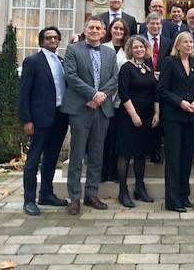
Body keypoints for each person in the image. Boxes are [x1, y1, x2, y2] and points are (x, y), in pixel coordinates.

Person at [62, 16, 119, 215]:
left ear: (104, 32)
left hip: (102, 109)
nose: (94, 30)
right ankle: (74, 197)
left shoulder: (109, 53)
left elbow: (114, 78)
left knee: (97, 155)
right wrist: (92, 94)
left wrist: (100, 96)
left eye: (98, 28)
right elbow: (71, 76)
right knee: (77, 155)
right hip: (81, 108)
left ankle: (91, 194)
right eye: (91, 27)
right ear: (85, 30)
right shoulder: (73, 50)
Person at [19, 26, 69, 216]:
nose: (53, 41)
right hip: (40, 118)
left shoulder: (62, 61)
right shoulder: (32, 62)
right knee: (33, 160)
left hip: (60, 116)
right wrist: (27, 120)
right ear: (41, 41)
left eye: (56, 38)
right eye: (48, 38)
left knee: (51, 158)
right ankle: (29, 200)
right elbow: (24, 94)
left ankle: (46, 194)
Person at [157, 32, 194, 212]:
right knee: (174, 158)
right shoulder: (169, 62)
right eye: (185, 42)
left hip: (191, 118)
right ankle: (172, 199)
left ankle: (184, 195)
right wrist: (180, 102)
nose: (189, 44)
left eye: (191, 42)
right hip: (174, 118)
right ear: (177, 45)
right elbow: (162, 89)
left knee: (186, 158)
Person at [116, 36, 160, 207]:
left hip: (148, 115)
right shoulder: (127, 68)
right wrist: (134, 115)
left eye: (141, 47)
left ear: (146, 48)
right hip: (129, 116)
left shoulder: (149, 68)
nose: (139, 49)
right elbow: (123, 93)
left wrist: (156, 112)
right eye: (136, 47)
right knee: (126, 153)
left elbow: (155, 92)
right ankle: (122, 191)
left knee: (141, 153)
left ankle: (139, 188)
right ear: (130, 50)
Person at [101, 18, 131, 182]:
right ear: (110, 30)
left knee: (117, 138)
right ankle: (103, 172)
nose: (119, 31)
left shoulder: (128, 50)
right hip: (105, 99)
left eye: (122, 29)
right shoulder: (103, 47)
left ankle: (114, 172)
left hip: (122, 101)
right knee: (104, 138)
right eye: (116, 28)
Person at [143, 11, 172, 164]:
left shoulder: (168, 42)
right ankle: (145, 148)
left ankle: (156, 150)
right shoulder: (140, 41)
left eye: (158, 24)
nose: (155, 26)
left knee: (159, 117)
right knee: (147, 116)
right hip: (144, 84)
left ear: (161, 25)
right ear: (147, 25)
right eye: (152, 23)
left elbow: (171, 60)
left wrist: (163, 74)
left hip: (162, 84)